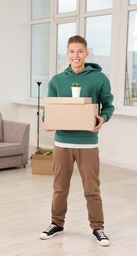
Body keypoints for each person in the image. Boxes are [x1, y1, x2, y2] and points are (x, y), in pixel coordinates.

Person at [39, 35, 114, 247]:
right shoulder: (57, 80)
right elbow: (50, 110)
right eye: (72, 51)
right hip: (62, 142)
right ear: (67, 54)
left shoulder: (99, 78)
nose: (75, 55)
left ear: (87, 53)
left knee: (92, 189)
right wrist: (48, 121)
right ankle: (56, 223)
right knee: (59, 187)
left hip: (88, 143)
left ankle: (98, 227)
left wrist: (103, 118)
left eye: (80, 51)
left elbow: (108, 106)